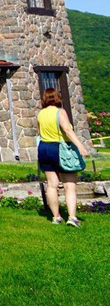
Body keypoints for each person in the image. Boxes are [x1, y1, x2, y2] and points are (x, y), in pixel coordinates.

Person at [37, 87, 89, 227]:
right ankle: (72, 217)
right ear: (57, 97)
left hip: (44, 148)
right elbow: (67, 129)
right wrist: (80, 146)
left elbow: (39, 132)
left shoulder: (41, 114)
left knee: (52, 184)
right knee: (69, 184)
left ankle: (56, 217)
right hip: (60, 149)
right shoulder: (60, 112)